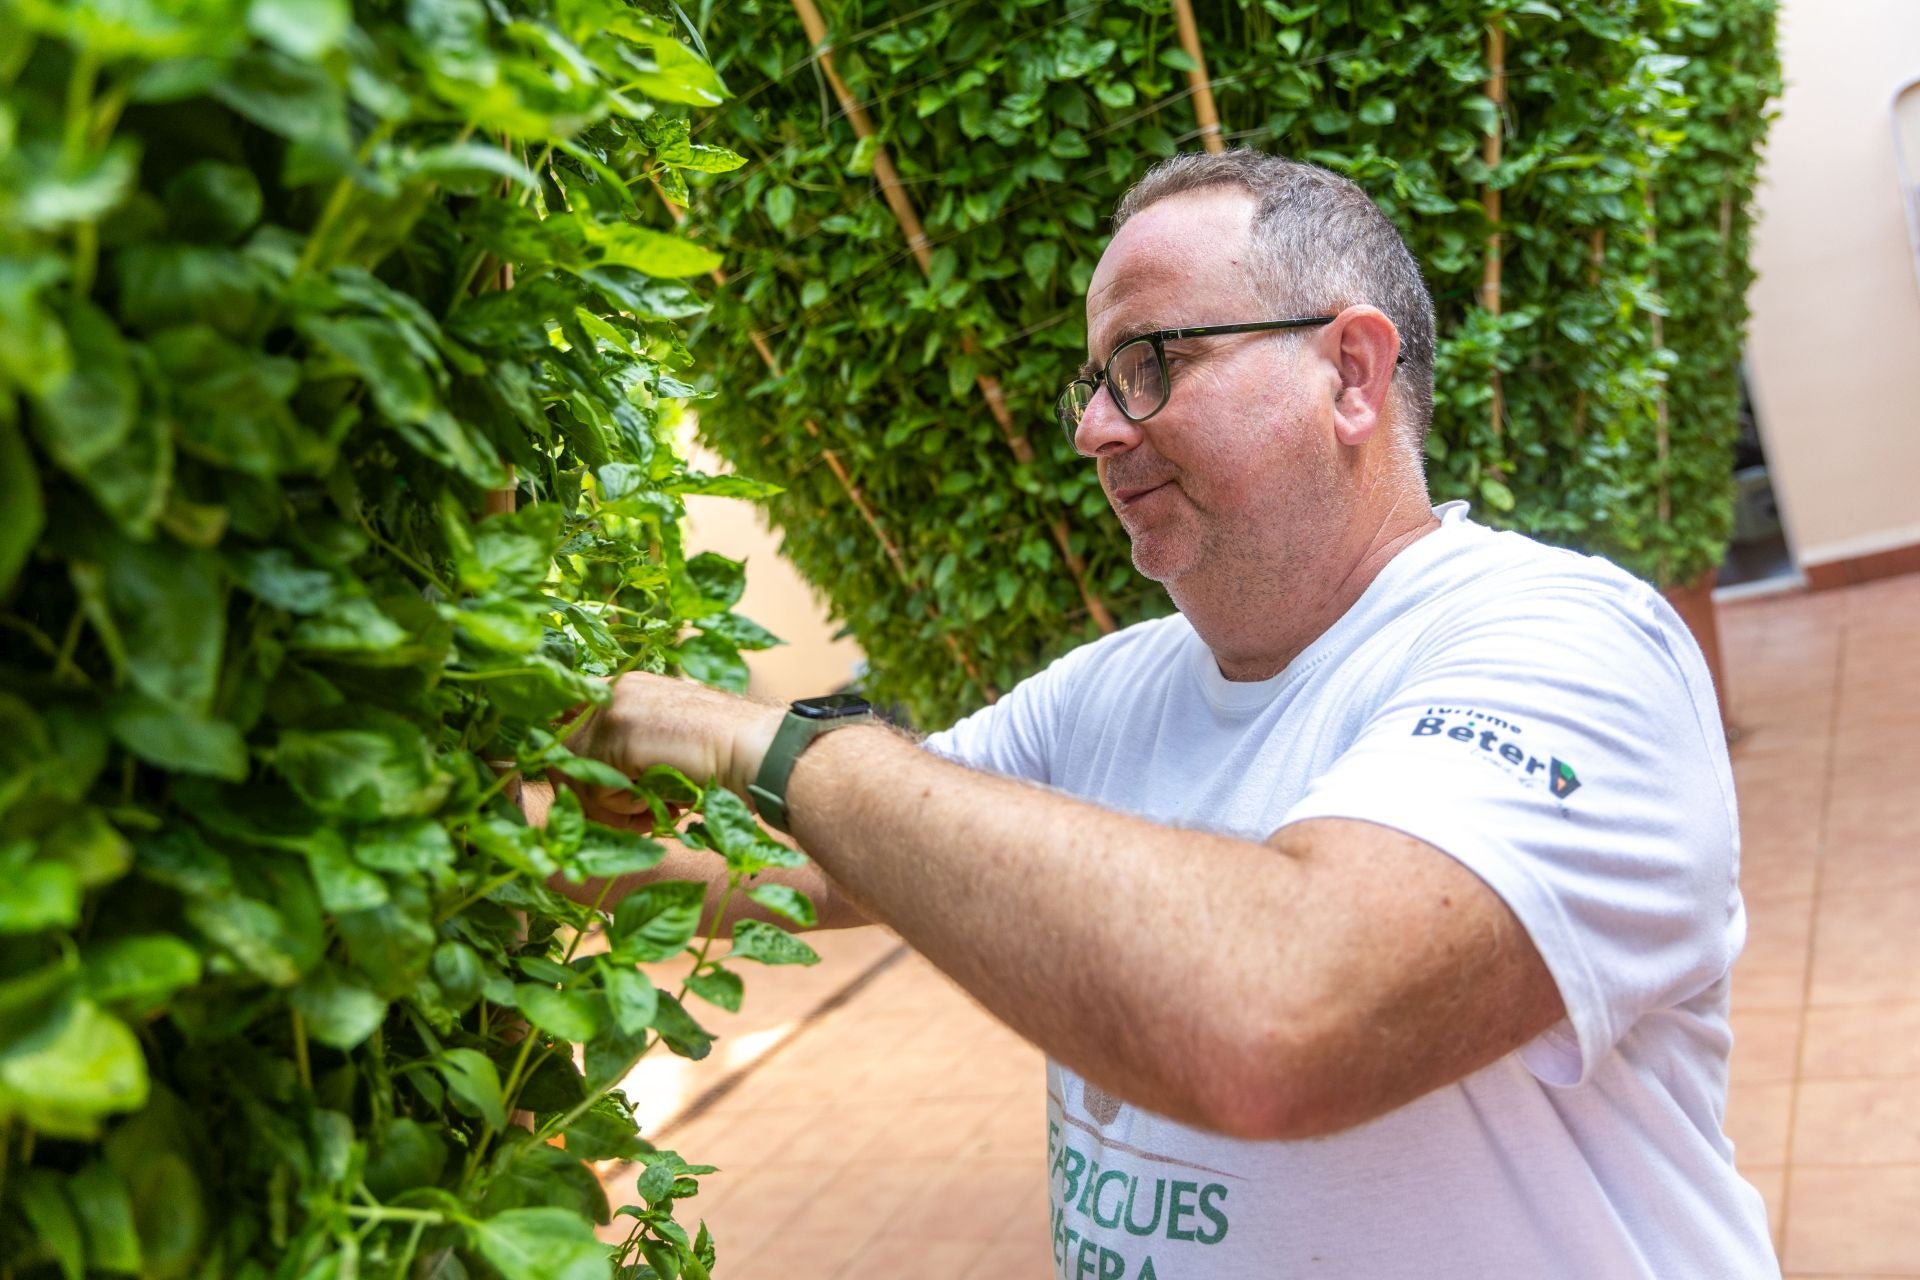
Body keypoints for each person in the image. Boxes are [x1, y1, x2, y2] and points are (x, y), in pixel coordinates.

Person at [553, 151, 1779, 1277]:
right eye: (1095, 382)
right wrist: (524, 848)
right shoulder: (1113, 689)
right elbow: (807, 861)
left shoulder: (1569, 644)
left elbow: (1287, 1014)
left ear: (1349, 373)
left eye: (1150, 365)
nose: (1094, 429)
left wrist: (772, 740)